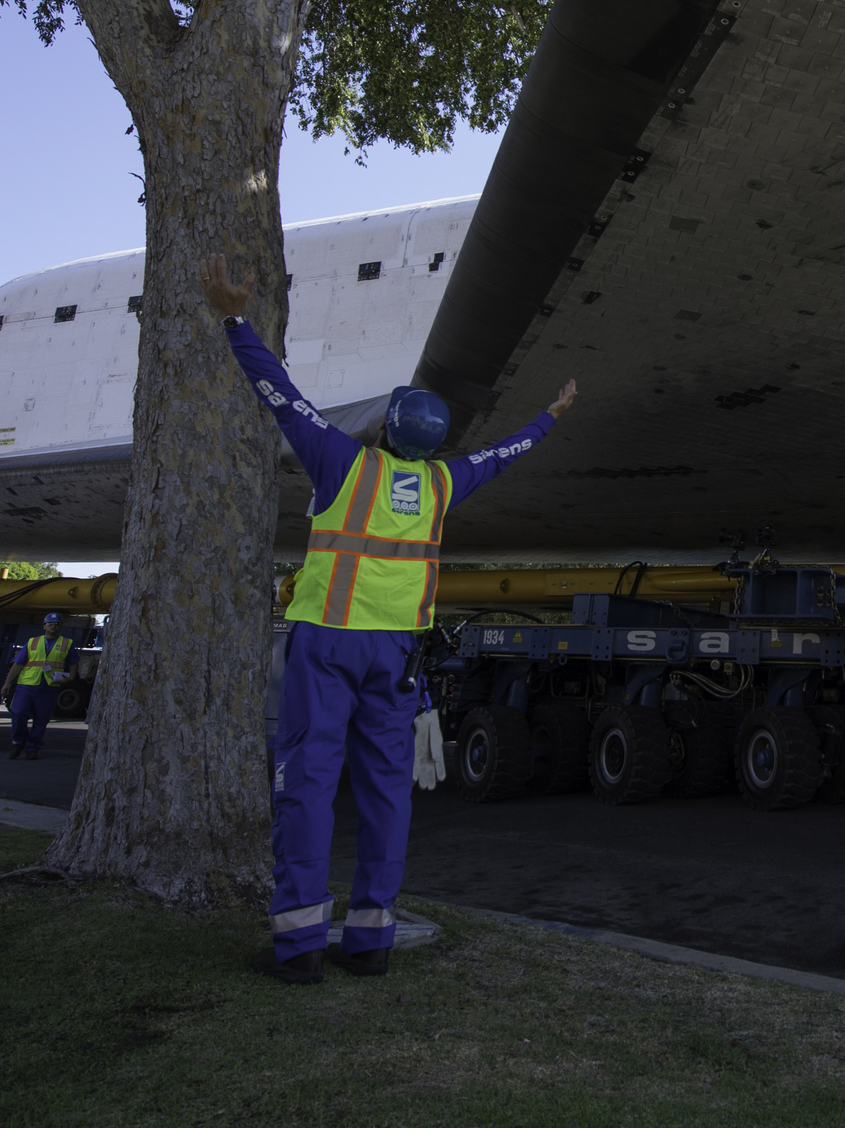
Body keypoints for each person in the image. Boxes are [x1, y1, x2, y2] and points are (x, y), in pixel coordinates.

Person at [204, 254, 576, 985]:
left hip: (326, 649)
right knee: (385, 792)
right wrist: (551, 416)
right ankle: (371, 940)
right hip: (395, 660)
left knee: (307, 787)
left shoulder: (343, 464)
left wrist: (233, 317)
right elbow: (503, 455)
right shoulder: (443, 484)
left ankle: (299, 947)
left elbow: (280, 394)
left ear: (383, 426)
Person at [1, 612, 75, 761]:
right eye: (50, 624)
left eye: (57, 624)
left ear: (60, 626)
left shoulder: (67, 643)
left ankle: (33, 748)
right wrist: (7, 683)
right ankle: (18, 742)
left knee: (41, 719)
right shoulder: (32, 642)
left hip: (49, 686)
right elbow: (18, 664)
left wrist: (71, 677)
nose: (53, 626)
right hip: (27, 685)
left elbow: (73, 662)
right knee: (19, 713)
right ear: (44, 626)